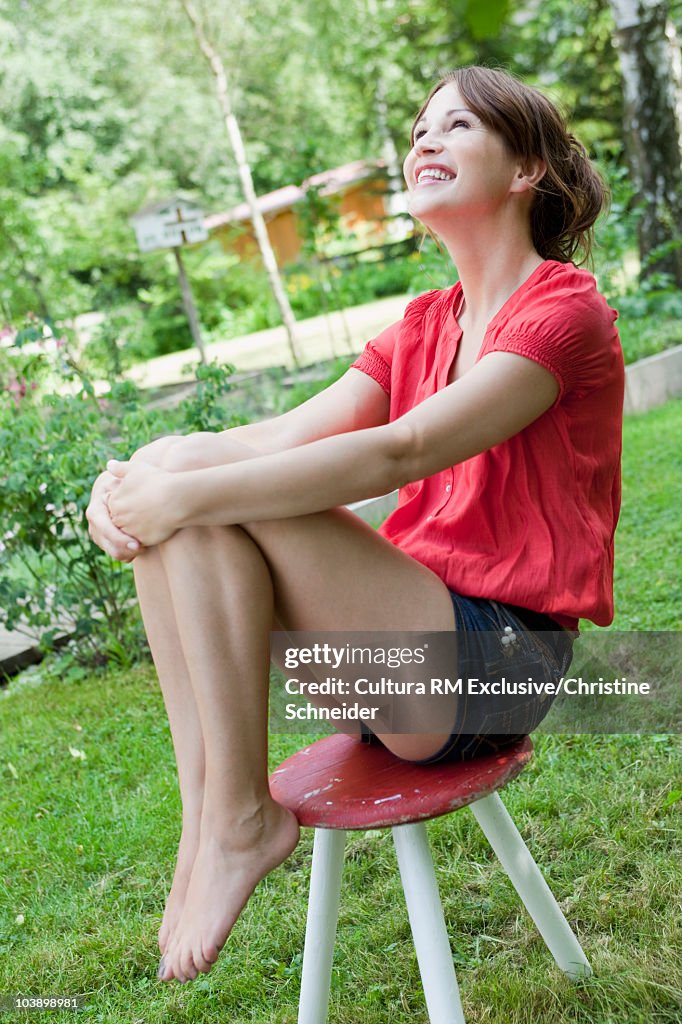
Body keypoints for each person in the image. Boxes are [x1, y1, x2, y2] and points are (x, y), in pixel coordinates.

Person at [86, 65, 624, 985]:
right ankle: (218, 817)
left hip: (496, 667)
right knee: (190, 485)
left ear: (528, 164)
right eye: (419, 128)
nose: (424, 141)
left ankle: (239, 824)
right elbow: (270, 436)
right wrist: (134, 479)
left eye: (455, 124)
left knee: (200, 490)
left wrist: (180, 484)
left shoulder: (562, 313)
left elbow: (398, 451)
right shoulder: (423, 325)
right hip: (398, 666)